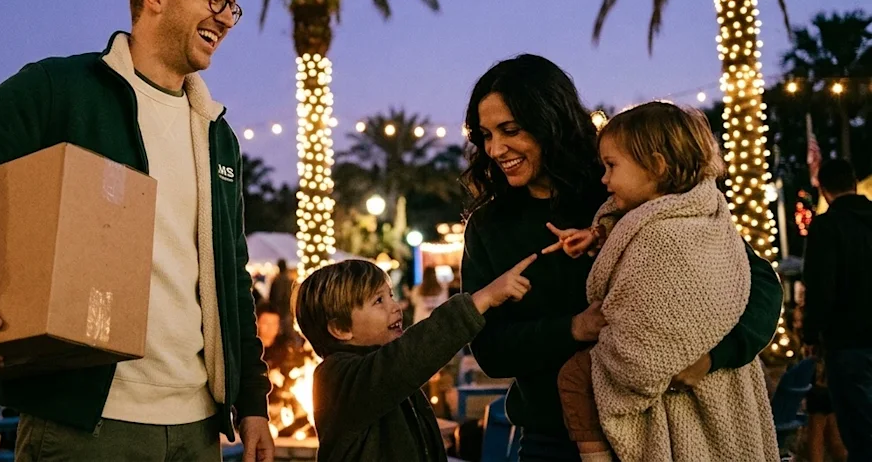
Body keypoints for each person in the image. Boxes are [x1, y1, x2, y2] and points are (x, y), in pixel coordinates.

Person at [0, 0, 274, 462]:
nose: (226, 18)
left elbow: (231, 274)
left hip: (197, 428)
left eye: (232, 6)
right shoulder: (63, 89)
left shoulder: (217, 134)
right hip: (86, 426)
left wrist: (253, 403)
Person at [459, 54, 783, 461]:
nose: (496, 149)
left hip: (663, 427)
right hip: (554, 437)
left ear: (550, 121)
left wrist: (715, 357)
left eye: (510, 130)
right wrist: (573, 328)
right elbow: (490, 348)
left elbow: (756, 283)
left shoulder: (627, 187)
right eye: (485, 136)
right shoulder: (490, 227)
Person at [545, 102, 777, 461]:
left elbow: (643, 353)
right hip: (716, 388)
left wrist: (701, 358)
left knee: (574, 378)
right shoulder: (701, 216)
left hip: (687, 385)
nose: (603, 180)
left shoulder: (664, 240)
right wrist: (600, 232)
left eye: (611, 166)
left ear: (656, 165)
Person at [297, 255, 536, 462]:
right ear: (340, 329)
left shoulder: (383, 369)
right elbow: (410, 354)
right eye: (379, 301)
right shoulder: (337, 377)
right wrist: (483, 299)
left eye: (391, 295)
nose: (396, 306)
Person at [803, 158, 872, 459]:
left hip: (848, 343)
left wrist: (811, 334)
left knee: (860, 433)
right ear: (854, 183)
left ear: (824, 190)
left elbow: (821, 287)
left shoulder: (827, 227)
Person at [268, 258, 294, 331]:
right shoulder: (290, 280)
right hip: (288, 309)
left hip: (278, 309)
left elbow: (271, 297)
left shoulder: (276, 280)